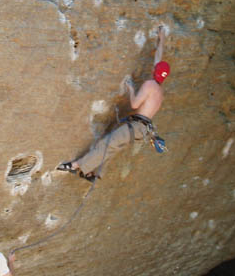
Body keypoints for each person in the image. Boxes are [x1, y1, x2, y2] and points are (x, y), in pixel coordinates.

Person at [57, 26, 170, 181]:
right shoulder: (159, 90)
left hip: (136, 126)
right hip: (141, 130)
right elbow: (159, 58)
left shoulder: (149, 85)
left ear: (154, 72)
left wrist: (131, 89)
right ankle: (90, 173)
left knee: (106, 144)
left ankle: (75, 166)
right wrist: (161, 38)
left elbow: (135, 104)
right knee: (112, 148)